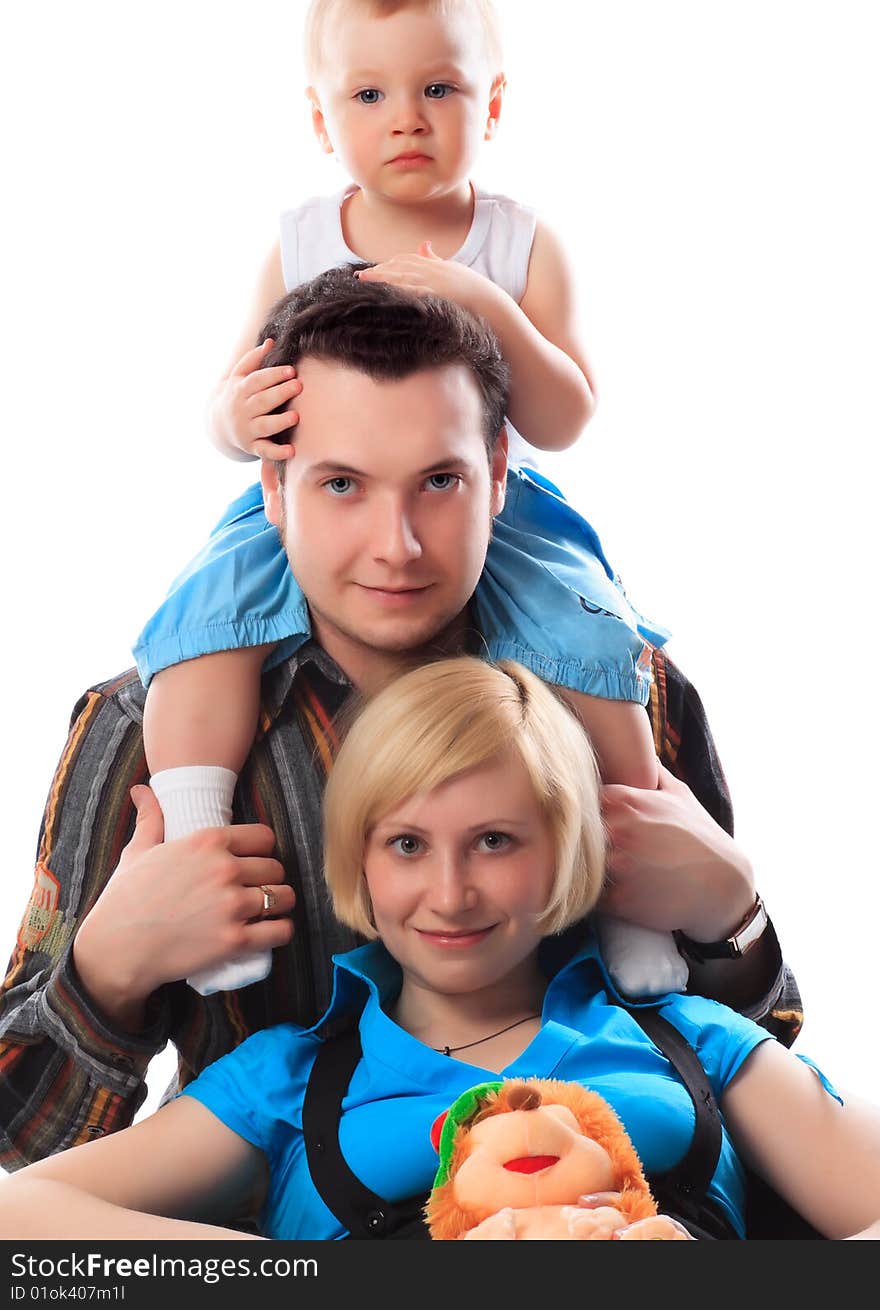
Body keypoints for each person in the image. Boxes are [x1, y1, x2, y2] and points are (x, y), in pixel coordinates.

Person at [0, 272, 796, 1175]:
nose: (398, 545)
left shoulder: (626, 693)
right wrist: (110, 970)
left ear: (498, 473)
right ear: (273, 485)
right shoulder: (146, 727)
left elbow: (755, 1093)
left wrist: (735, 919)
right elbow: (22, 1143)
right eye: (342, 483)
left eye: (439, 482)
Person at [134, 0, 681, 1000]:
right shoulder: (299, 239)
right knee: (199, 621)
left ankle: (636, 871)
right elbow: (229, 398)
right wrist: (234, 417)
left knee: (588, 630)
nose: (407, 119)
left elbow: (563, 414)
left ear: (495, 101)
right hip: (296, 500)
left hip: (509, 510)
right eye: (370, 93)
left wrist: (491, 313)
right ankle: (197, 841)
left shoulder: (518, 245)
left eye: (440, 88)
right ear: (319, 117)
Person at [0, 658, 875, 1241]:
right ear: (360, 866)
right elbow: (21, 1215)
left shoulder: (692, 1042)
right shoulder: (289, 1080)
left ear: (567, 858)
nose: (450, 894)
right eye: (408, 846)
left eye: (495, 841)